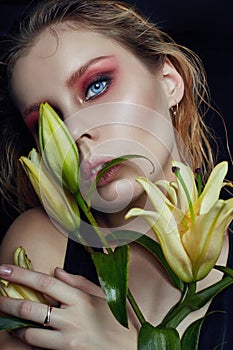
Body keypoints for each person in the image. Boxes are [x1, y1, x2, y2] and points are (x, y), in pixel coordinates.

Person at [0, 0, 232, 348]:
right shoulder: (41, 248)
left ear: (169, 81)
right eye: (49, 123)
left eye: (97, 86)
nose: (76, 133)